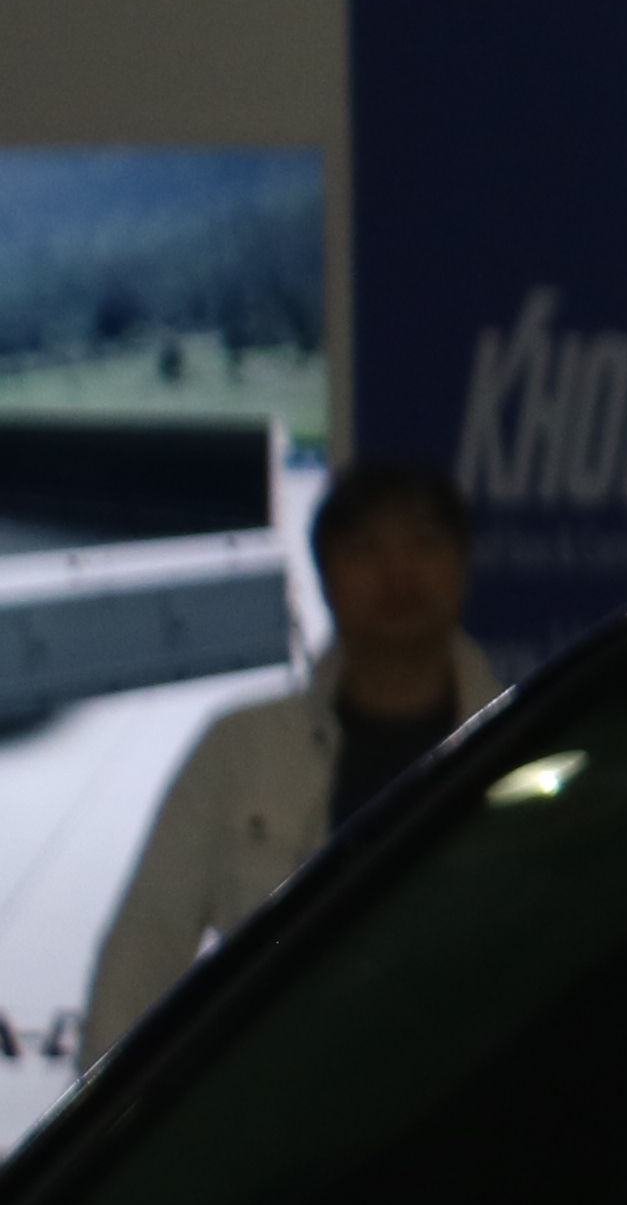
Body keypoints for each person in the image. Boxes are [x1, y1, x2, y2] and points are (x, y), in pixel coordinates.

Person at [80, 455, 500, 1061]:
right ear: (325, 578)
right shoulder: (241, 750)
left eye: (424, 544)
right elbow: (143, 953)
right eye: (366, 549)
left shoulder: (523, 741)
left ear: (463, 566)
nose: (398, 572)